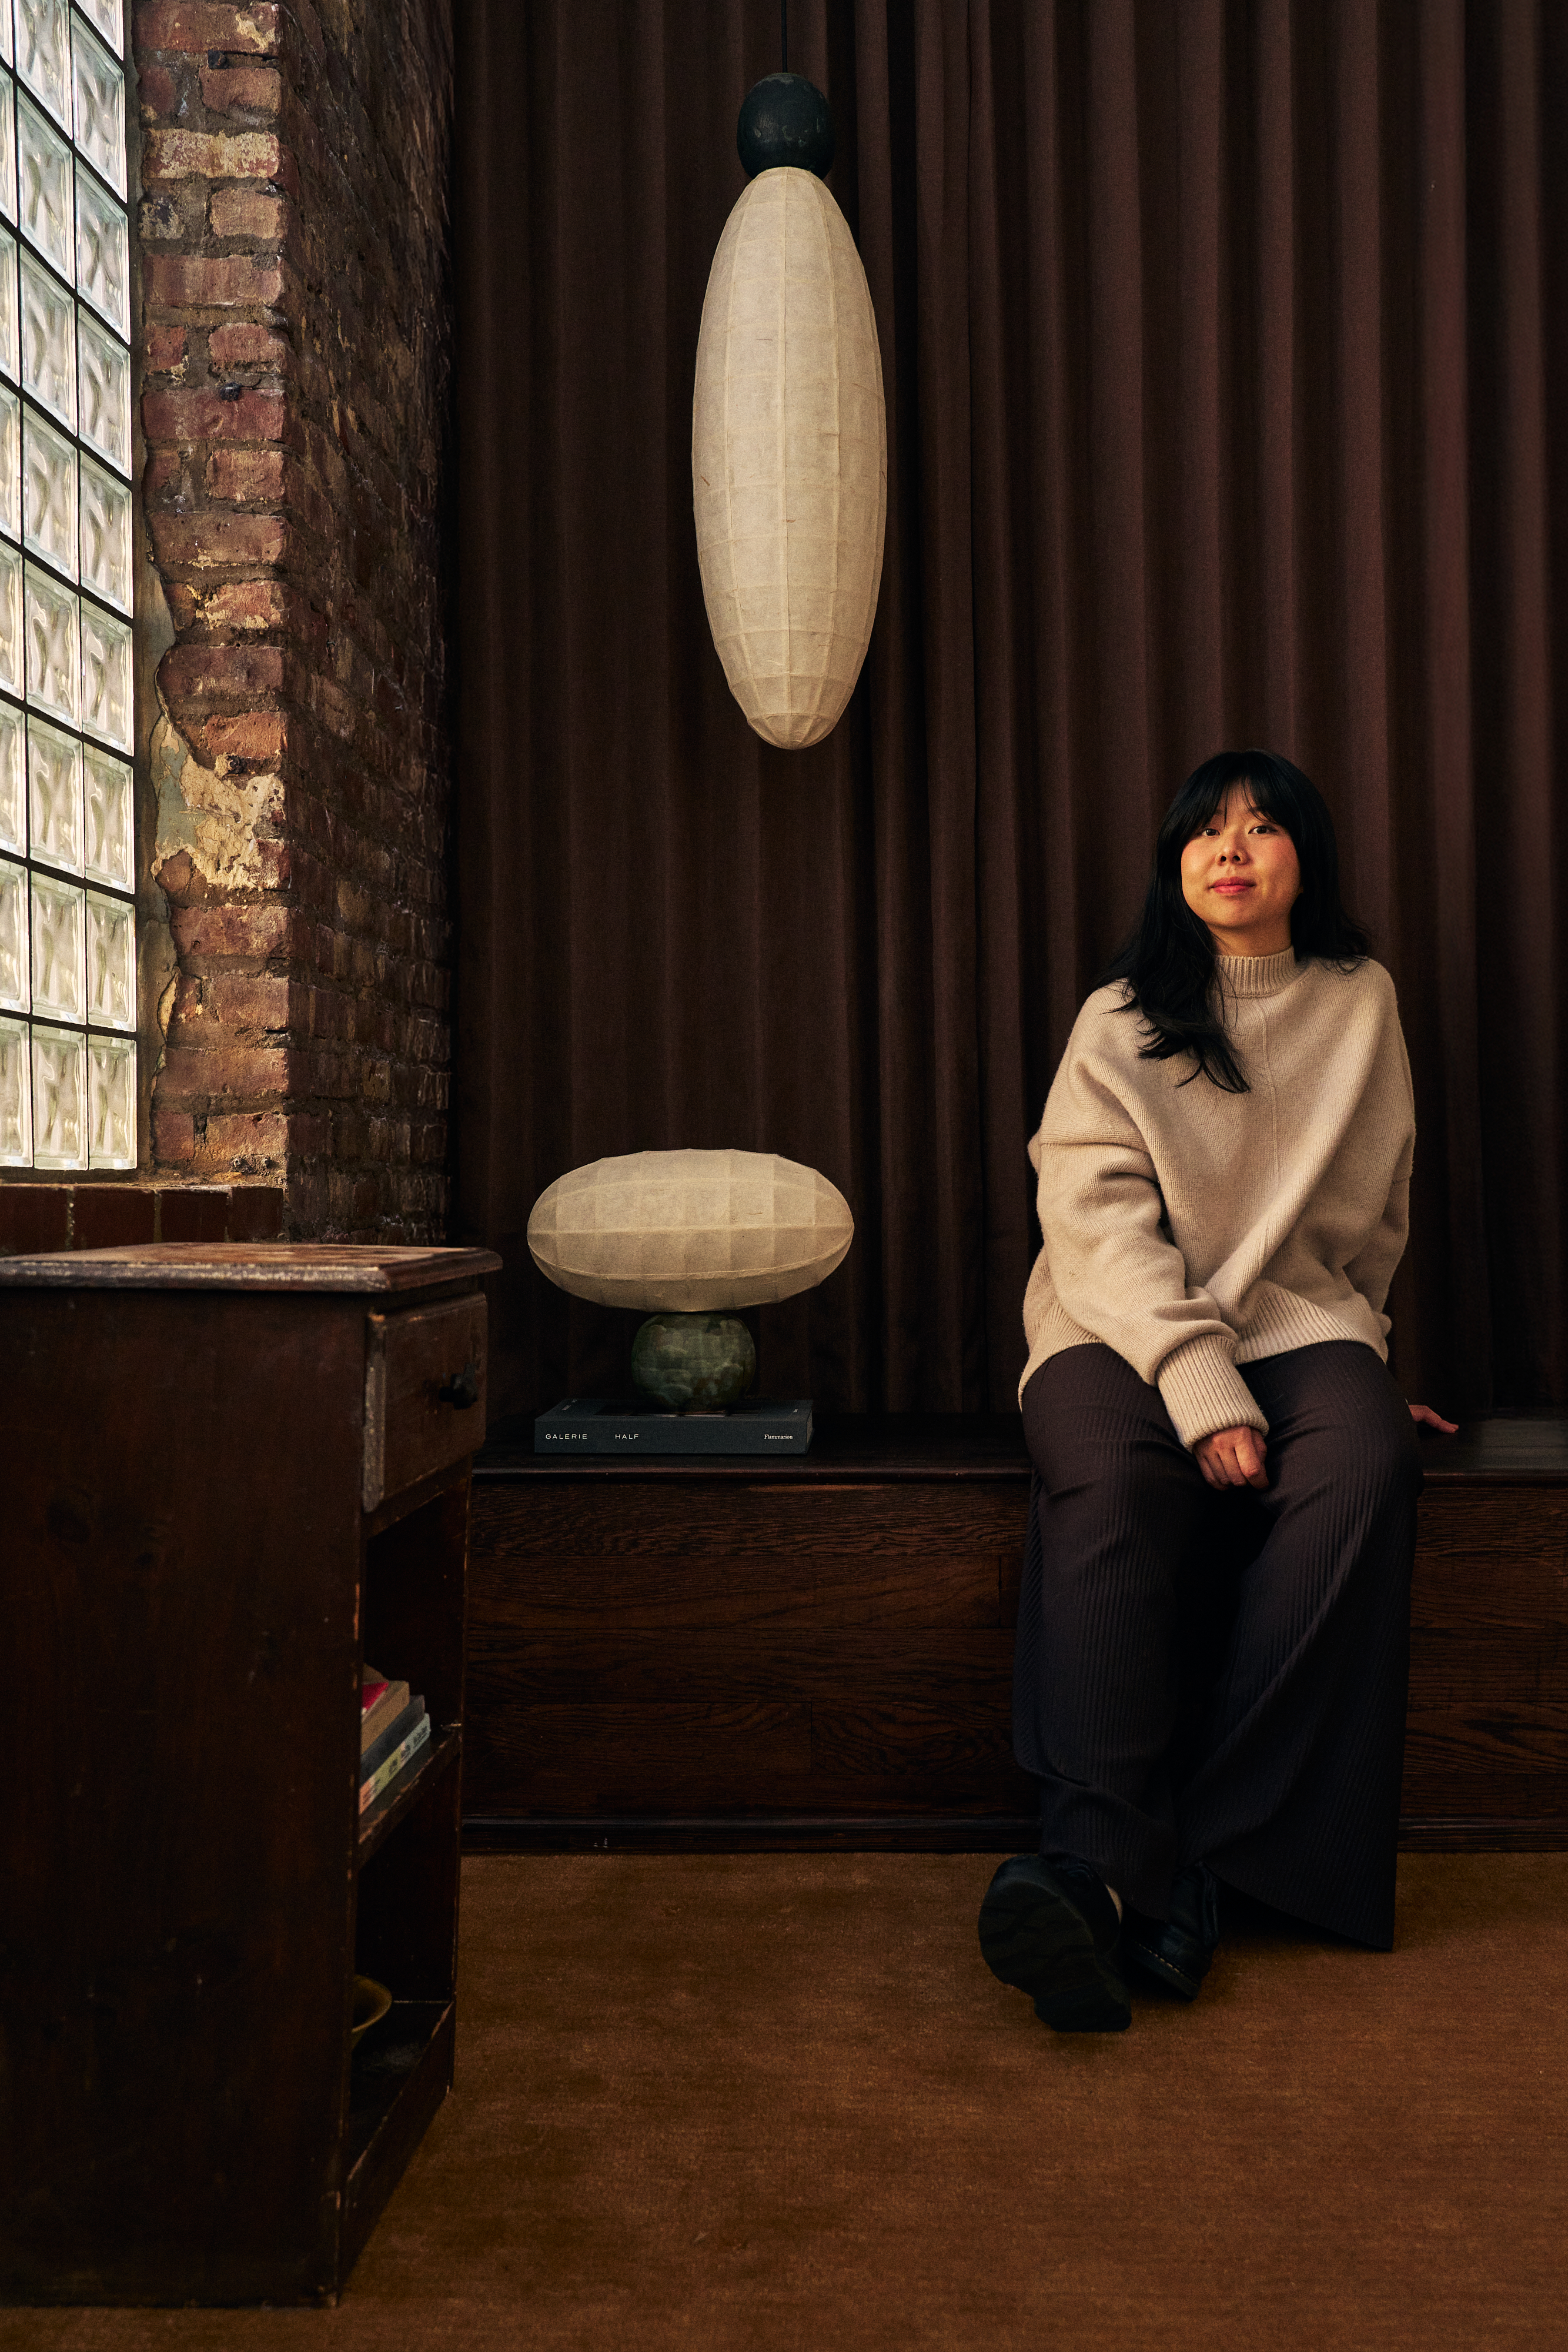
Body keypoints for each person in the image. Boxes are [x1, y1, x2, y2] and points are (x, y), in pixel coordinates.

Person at [978, 750, 1456, 2034]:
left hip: (1297, 1320)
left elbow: (1370, 1213)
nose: (1228, 848)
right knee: (1115, 1474)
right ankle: (1088, 1870)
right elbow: (1090, 1219)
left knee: (1363, 1463)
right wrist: (1198, 1380)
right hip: (1107, 1322)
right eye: (1202, 829)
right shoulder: (1119, 1015)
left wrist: (1356, 1360)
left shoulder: (1359, 1003)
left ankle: (1186, 1856)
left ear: (1305, 854)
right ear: (1174, 860)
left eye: (1259, 827)